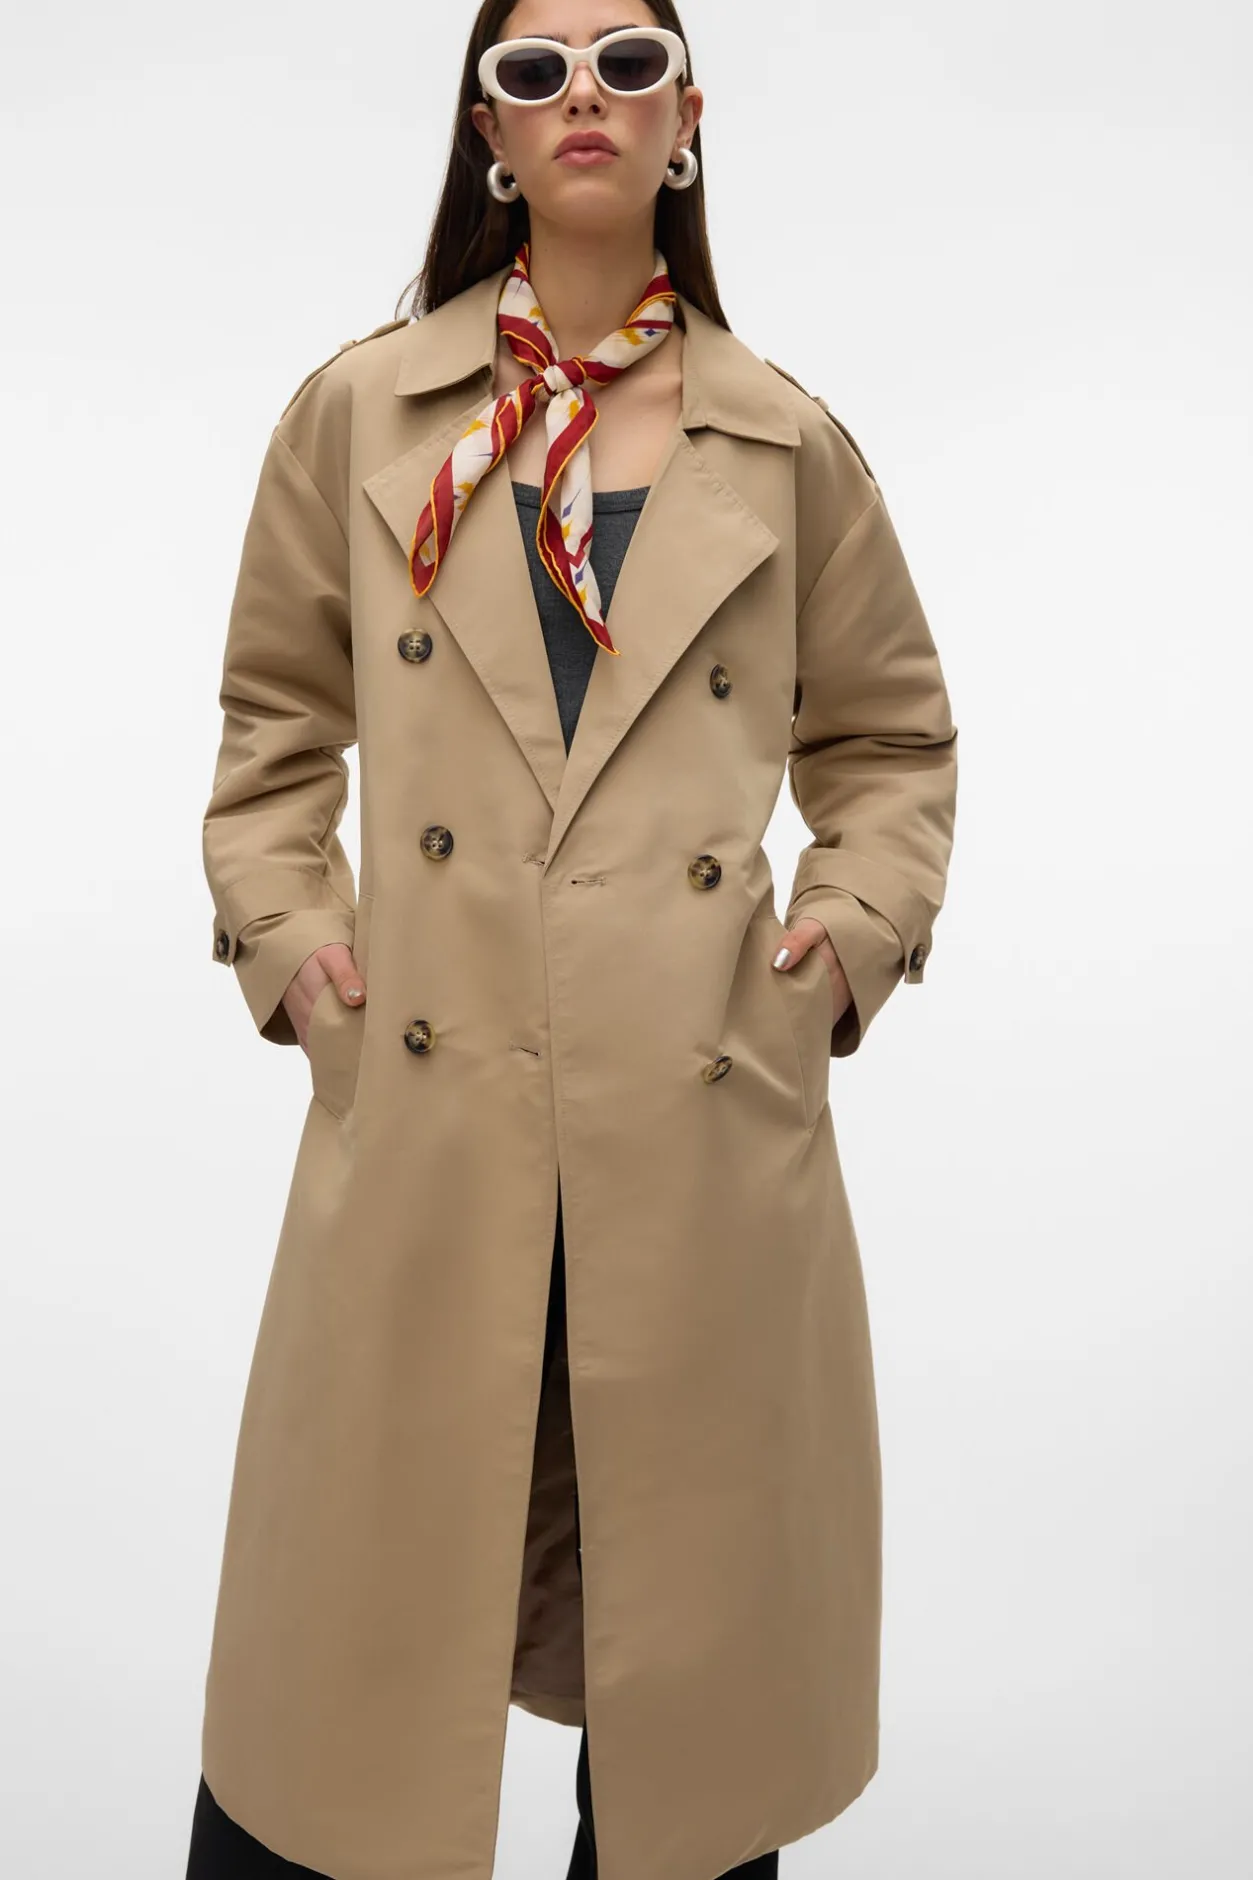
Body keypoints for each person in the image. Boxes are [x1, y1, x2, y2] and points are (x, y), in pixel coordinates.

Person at [186, 3, 959, 1877]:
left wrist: (839, 946)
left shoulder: (785, 445)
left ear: (688, 116)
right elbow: (273, 732)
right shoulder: (360, 416)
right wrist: (294, 944)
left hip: (695, 1129)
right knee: (328, 1716)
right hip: (431, 1118)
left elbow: (890, 743)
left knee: (689, 1743)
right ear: (490, 133)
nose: (583, 97)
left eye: (627, 61)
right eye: (535, 72)